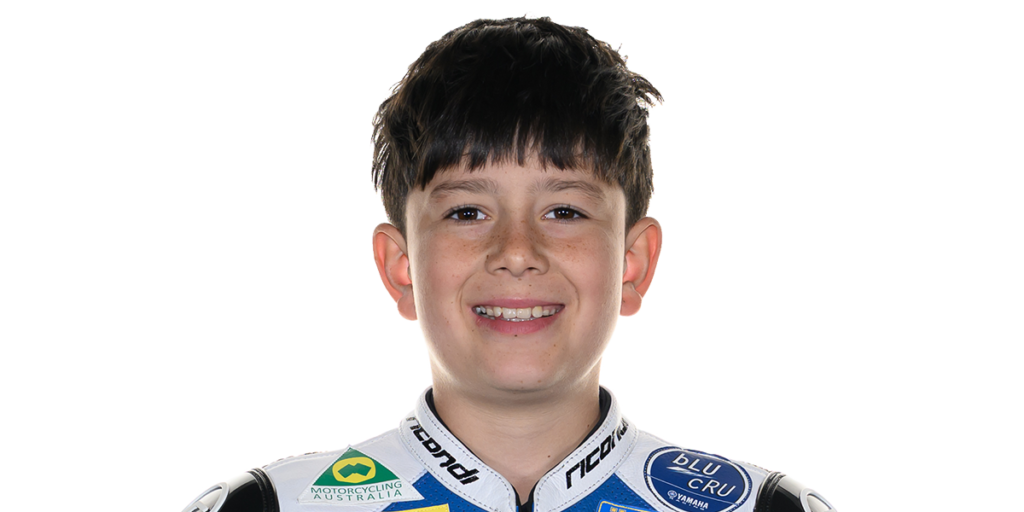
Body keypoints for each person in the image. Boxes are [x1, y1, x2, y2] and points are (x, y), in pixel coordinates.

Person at [179, 14, 837, 512]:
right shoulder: (263, 506)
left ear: (633, 265)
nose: (517, 252)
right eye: (467, 212)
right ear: (400, 268)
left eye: (565, 211)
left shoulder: (770, 508)